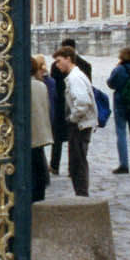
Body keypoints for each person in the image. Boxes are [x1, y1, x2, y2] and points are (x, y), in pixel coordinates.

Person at [54, 45, 96, 197]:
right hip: (81, 124)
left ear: (68, 59)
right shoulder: (75, 76)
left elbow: (83, 103)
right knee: (77, 161)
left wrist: (72, 118)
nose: (57, 65)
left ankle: (82, 194)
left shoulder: (74, 78)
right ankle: (81, 193)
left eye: (59, 61)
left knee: (77, 163)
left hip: (79, 125)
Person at [48, 37, 92, 175]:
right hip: (74, 105)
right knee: (76, 140)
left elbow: (54, 85)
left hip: (62, 105)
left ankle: (54, 165)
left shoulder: (56, 65)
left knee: (57, 138)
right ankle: (73, 168)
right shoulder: (86, 65)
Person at [107, 47, 130, 174]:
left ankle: (124, 164)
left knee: (121, 132)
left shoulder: (119, 69)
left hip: (120, 103)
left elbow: (110, 83)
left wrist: (116, 68)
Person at [29, 55, 54, 201]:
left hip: (27, 135)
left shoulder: (20, 87)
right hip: (40, 133)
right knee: (39, 167)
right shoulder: (41, 85)